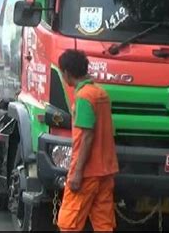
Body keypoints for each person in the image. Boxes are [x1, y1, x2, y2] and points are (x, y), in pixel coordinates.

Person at [57, 49, 119, 232]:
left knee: (69, 222)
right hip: (106, 169)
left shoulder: (84, 97)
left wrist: (77, 173)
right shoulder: (101, 94)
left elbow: (87, 136)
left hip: (87, 172)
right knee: (103, 223)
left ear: (67, 73)